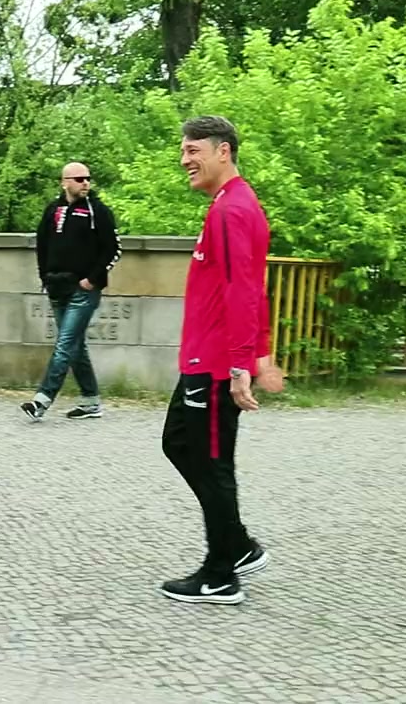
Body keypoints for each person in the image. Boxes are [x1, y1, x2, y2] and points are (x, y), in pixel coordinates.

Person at [159, 115, 284, 606]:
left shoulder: (232, 210)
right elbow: (255, 286)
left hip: (214, 365)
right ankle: (237, 546)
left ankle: (220, 574)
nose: (184, 159)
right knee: (181, 445)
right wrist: (261, 353)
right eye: (184, 150)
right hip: (205, 359)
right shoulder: (232, 204)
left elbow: (243, 289)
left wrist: (239, 365)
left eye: (193, 150)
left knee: (211, 464)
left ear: (223, 151)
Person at [20, 162, 122, 421]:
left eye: (88, 178)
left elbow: (113, 249)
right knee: (75, 346)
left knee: (64, 344)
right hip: (57, 287)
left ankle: (41, 400)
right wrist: (44, 277)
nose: (85, 183)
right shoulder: (52, 210)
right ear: (64, 182)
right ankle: (91, 401)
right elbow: (42, 245)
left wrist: (92, 279)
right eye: (79, 179)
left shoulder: (97, 211)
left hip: (83, 290)